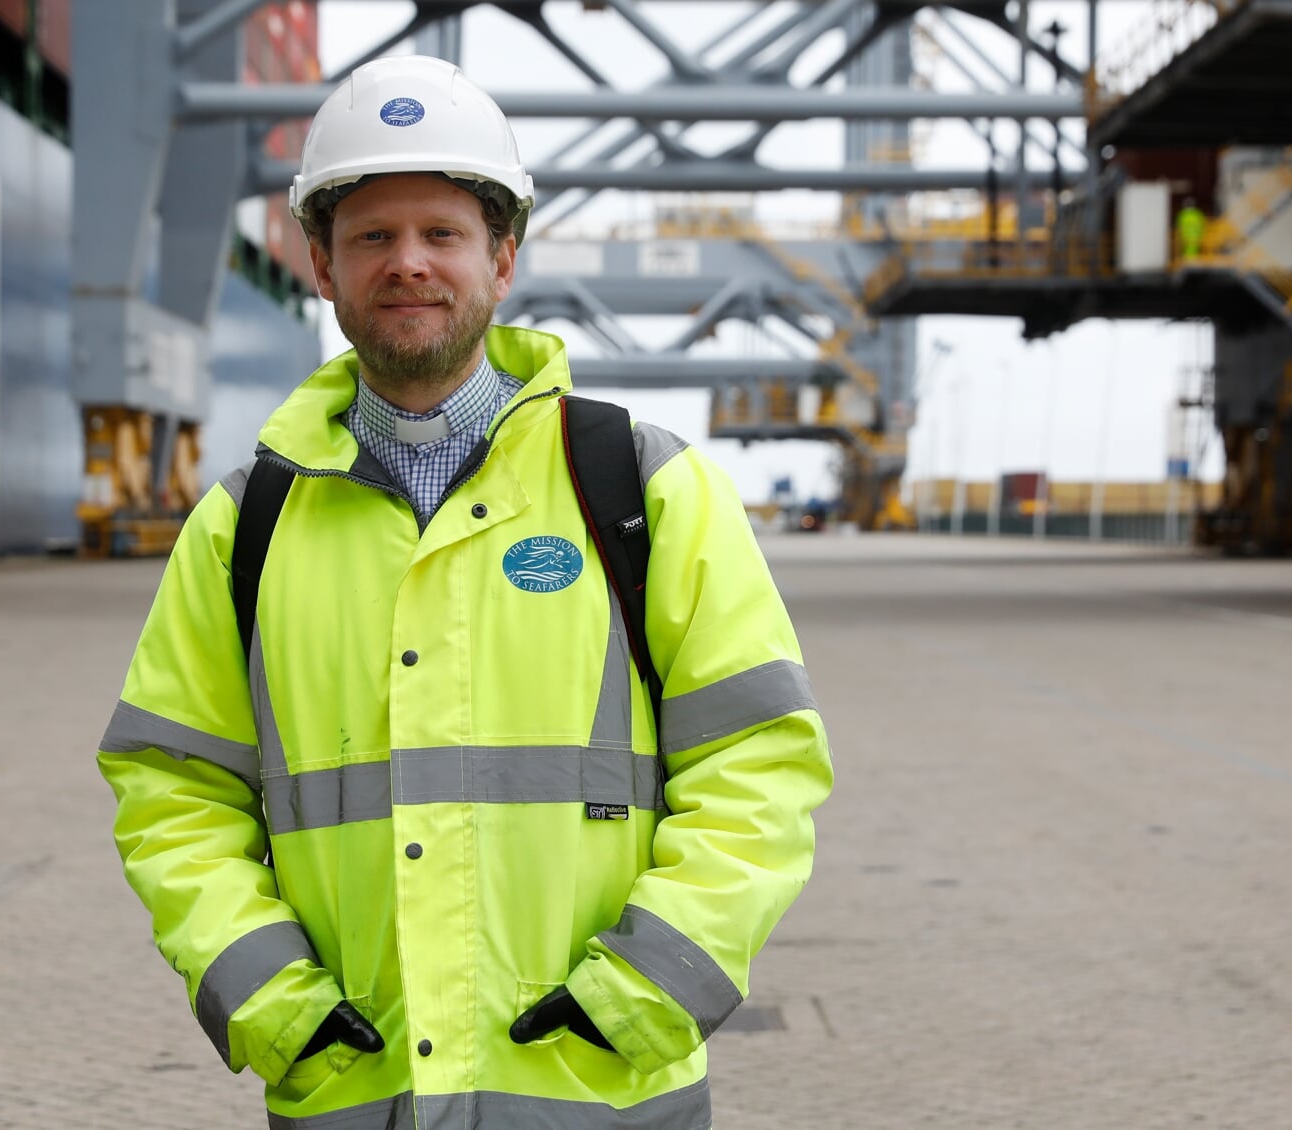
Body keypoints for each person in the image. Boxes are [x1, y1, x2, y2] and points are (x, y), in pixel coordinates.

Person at [96, 55, 833, 1130]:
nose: (407, 265)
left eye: (441, 234)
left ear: (501, 258)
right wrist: (272, 1003)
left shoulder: (639, 486)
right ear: (319, 263)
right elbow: (171, 789)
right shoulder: (242, 523)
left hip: (601, 1093)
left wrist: (643, 992)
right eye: (371, 237)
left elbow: (758, 760)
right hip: (354, 1094)